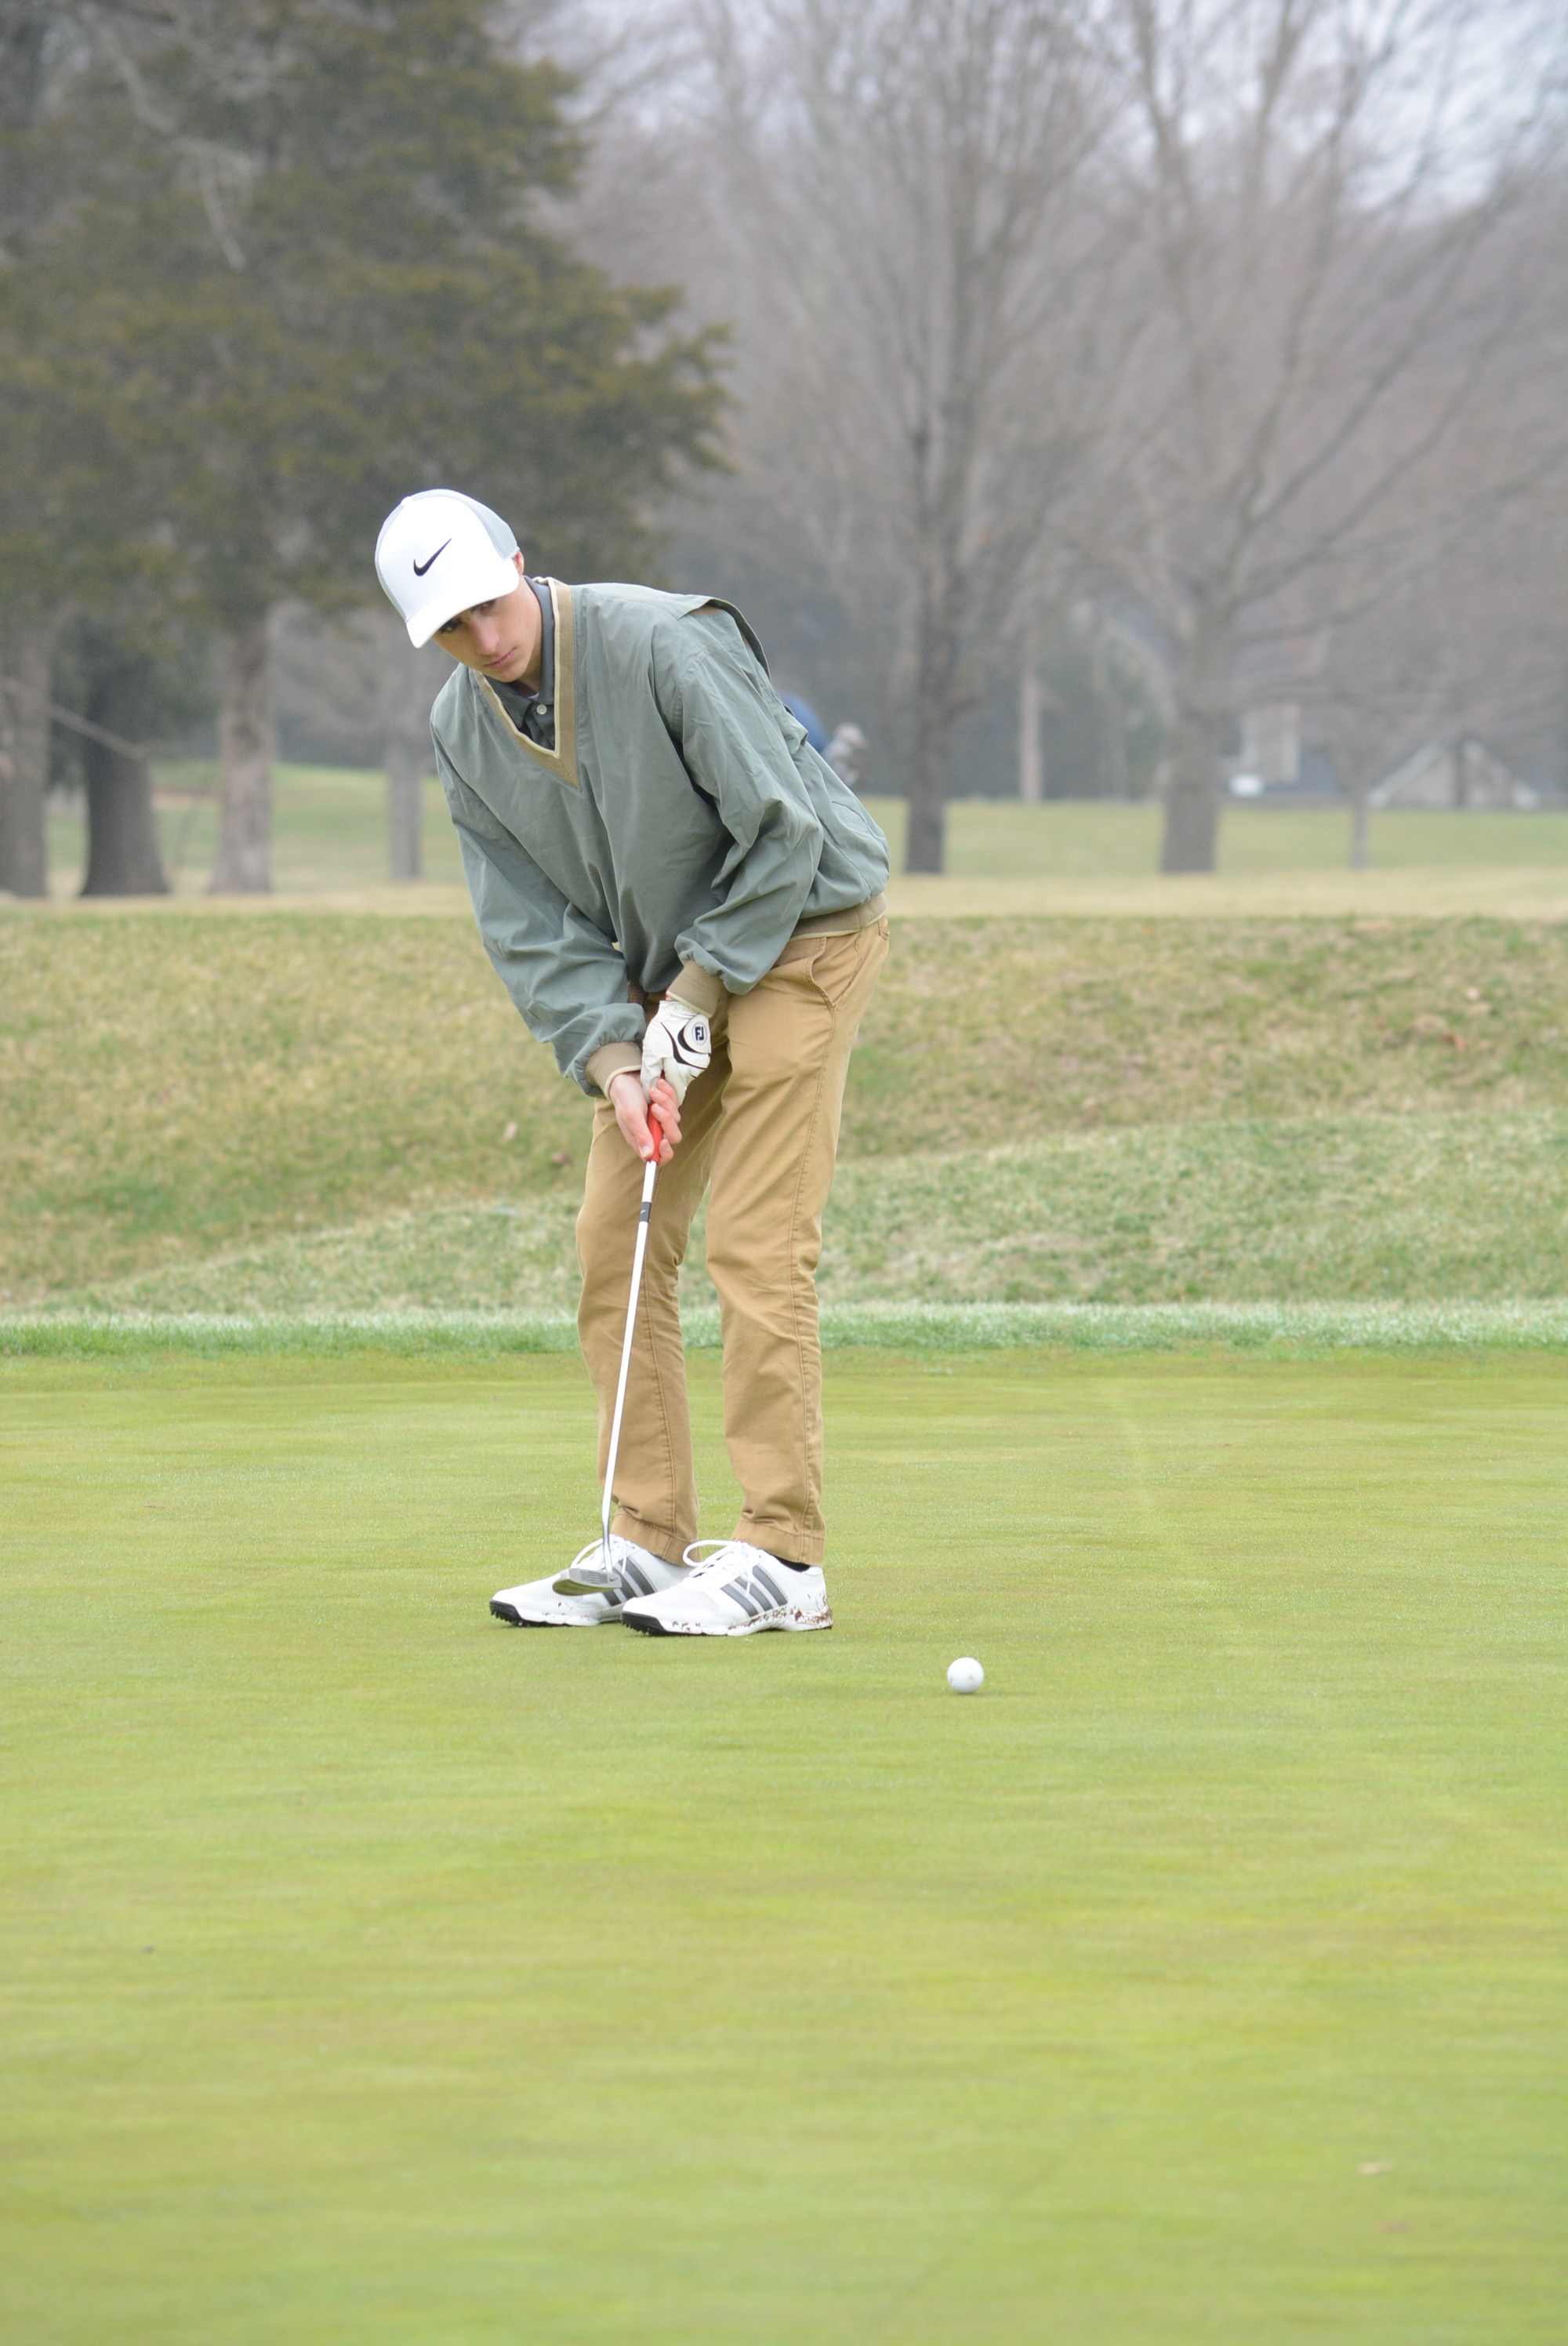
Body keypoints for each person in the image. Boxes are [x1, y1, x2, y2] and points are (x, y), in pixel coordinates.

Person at [374, 489, 890, 1637]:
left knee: (755, 1241)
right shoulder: (463, 732)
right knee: (616, 1240)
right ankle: (649, 1540)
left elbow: (782, 825)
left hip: (805, 931)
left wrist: (699, 994)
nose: (485, 639)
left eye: (488, 604)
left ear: (519, 560)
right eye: (452, 628)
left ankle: (783, 1554)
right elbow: (531, 928)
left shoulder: (662, 638)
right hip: (662, 981)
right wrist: (617, 1062)